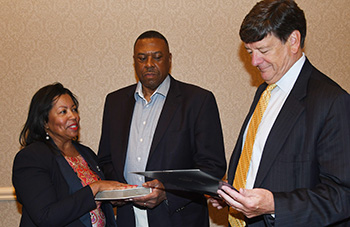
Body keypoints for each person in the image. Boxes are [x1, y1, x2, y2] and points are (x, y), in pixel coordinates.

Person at [209, 0, 350, 226]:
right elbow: (262, 164)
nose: (254, 61)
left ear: (293, 41)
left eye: (263, 50)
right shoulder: (264, 91)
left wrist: (275, 204)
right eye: (249, 51)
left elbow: (342, 195)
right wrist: (233, 193)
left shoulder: (332, 102)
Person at [98, 30, 226, 227]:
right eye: (142, 58)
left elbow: (212, 167)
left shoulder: (198, 101)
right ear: (134, 61)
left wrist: (168, 191)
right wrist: (117, 191)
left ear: (169, 59)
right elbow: (105, 159)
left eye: (157, 57)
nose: (149, 63)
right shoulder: (114, 102)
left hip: (178, 218)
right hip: (127, 217)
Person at [12, 82, 136, 227]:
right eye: (63, 112)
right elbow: (46, 217)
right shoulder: (31, 158)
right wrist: (95, 188)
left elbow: (95, 202)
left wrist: (112, 198)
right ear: (45, 121)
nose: (74, 116)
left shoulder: (86, 153)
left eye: (74, 109)